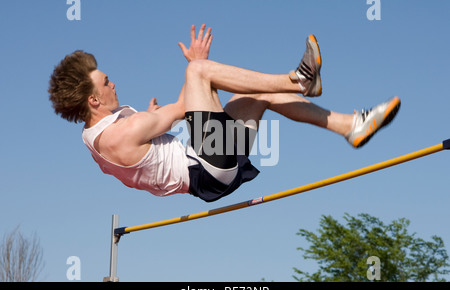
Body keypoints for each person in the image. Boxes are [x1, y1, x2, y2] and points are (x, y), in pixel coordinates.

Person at [48, 24, 401, 202]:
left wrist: (151, 126)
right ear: (93, 101)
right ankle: (299, 80)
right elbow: (184, 106)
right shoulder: (125, 131)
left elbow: (142, 155)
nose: (113, 83)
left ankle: (351, 126)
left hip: (210, 166)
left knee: (257, 92)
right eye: (106, 82)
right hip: (207, 166)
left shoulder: (95, 137)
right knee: (198, 73)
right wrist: (196, 65)